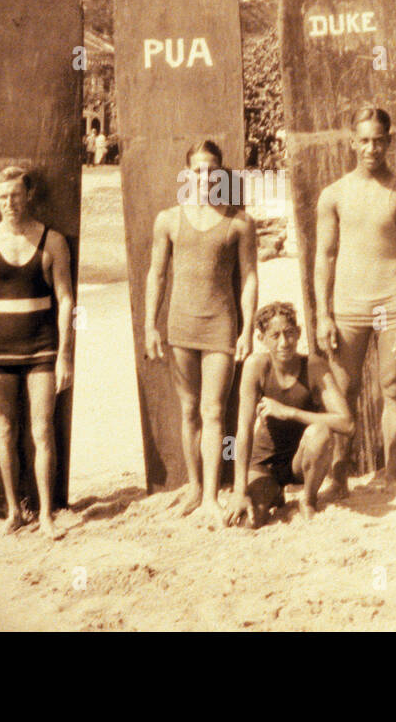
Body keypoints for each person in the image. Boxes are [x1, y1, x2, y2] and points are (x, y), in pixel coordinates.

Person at [144, 140, 258, 527]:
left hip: (220, 325)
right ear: (187, 173)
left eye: (211, 169)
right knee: (189, 410)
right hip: (180, 325)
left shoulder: (239, 222)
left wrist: (247, 330)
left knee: (213, 411)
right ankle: (194, 487)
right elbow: (156, 275)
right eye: (197, 170)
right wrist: (149, 326)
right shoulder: (169, 220)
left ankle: (210, 497)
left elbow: (249, 278)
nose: (204, 176)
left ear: (221, 172)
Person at [314, 105, 396, 494]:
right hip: (350, 308)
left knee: (394, 388)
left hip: (389, 306)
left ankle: (392, 474)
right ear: (352, 142)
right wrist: (323, 315)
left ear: (389, 141)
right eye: (364, 140)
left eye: (379, 140)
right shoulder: (334, 195)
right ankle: (339, 475)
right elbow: (324, 256)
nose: (371, 148)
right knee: (343, 392)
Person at [0, 163, 75, 538]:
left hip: (42, 349)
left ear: (28, 195)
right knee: (5, 429)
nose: (9, 203)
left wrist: (65, 355)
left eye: (15, 195)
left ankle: (45, 514)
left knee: (43, 431)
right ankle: (14, 511)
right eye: (2, 197)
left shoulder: (52, 241)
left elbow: (65, 299)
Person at [224, 302, 354, 528]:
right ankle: (273, 492)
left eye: (290, 333)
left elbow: (347, 423)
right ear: (261, 338)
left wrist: (290, 412)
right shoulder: (256, 366)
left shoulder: (313, 366)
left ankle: (309, 499)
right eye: (275, 336)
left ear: (299, 333)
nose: (284, 343)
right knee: (248, 522)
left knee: (320, 433)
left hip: (301, 461)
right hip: (266, 463)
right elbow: (242, 431)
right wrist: (238, 491)